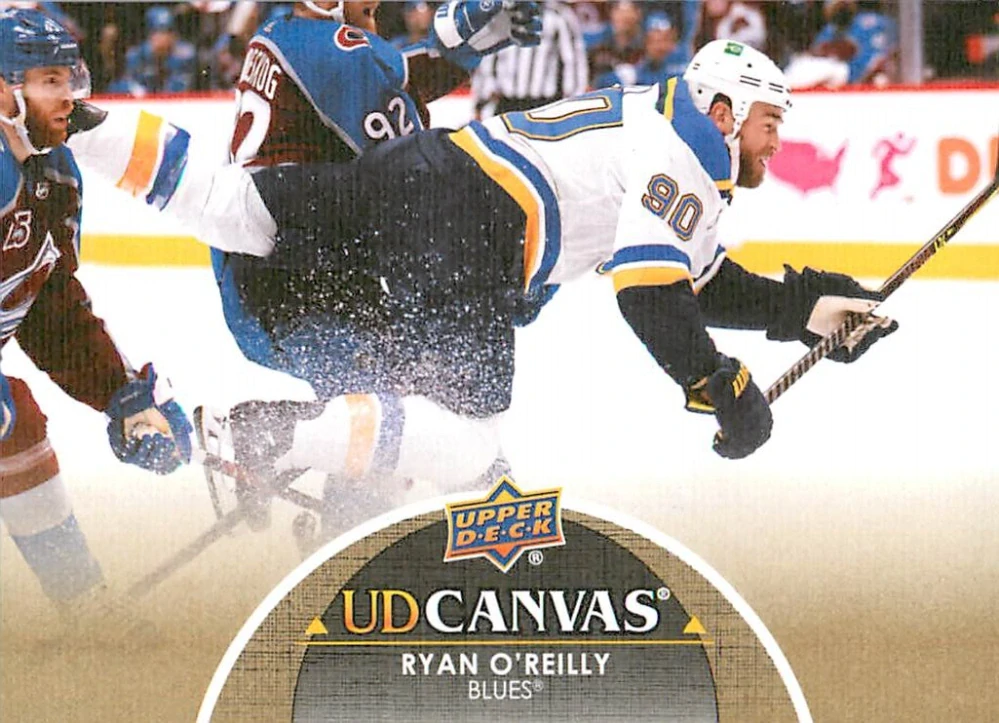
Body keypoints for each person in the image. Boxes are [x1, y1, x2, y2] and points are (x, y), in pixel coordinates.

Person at [69, 40, 897, 516]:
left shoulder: (663, 124)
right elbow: (649, 293)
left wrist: (806, 310)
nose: (774, 142)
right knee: (465, 440)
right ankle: (265, 435)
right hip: (464, 235)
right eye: (767, 122)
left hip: (423, 175)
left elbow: (699, 281)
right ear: (723, 112)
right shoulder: (684, 152)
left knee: (240, 207)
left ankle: (71, 120)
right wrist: (714, 381)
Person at [0, 8, 192, 612]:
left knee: (14, 424)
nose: (68, 96)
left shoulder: (54, 173)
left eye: (69, 78)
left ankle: (84, 608)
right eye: (48, 81)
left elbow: (48, 308)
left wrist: (121, 393)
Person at [472, 0, 588, 119]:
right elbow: (488, 58)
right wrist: (481, 98)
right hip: (507, 102)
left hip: (544, 103)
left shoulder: (559, 15)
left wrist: (573, 100)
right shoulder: (501, 15)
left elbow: (573, 60)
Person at [108, 5, 197, 96]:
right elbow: (123, 85)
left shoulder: (185, 54)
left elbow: (179, 88)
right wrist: (139, 91)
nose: (164, 36)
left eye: (168, 31)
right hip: (144, 101)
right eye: (158, 31)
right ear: (149, 34)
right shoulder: (137, 55)